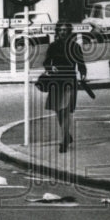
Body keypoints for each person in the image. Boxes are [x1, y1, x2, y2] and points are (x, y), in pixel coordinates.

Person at [42, 22, 89, 153]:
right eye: (60, 30)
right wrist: (50, 67)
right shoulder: (53, 46)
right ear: (57, 32)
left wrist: (83, 74)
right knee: (58, 109)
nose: (62, 32)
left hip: (69, 80)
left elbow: (81, 63)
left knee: (66, 110)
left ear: (69, 32)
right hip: (56, 80)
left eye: (65, 30)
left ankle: (63, 142)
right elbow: (46, 62)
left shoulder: (75, 47)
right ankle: (67, 135)